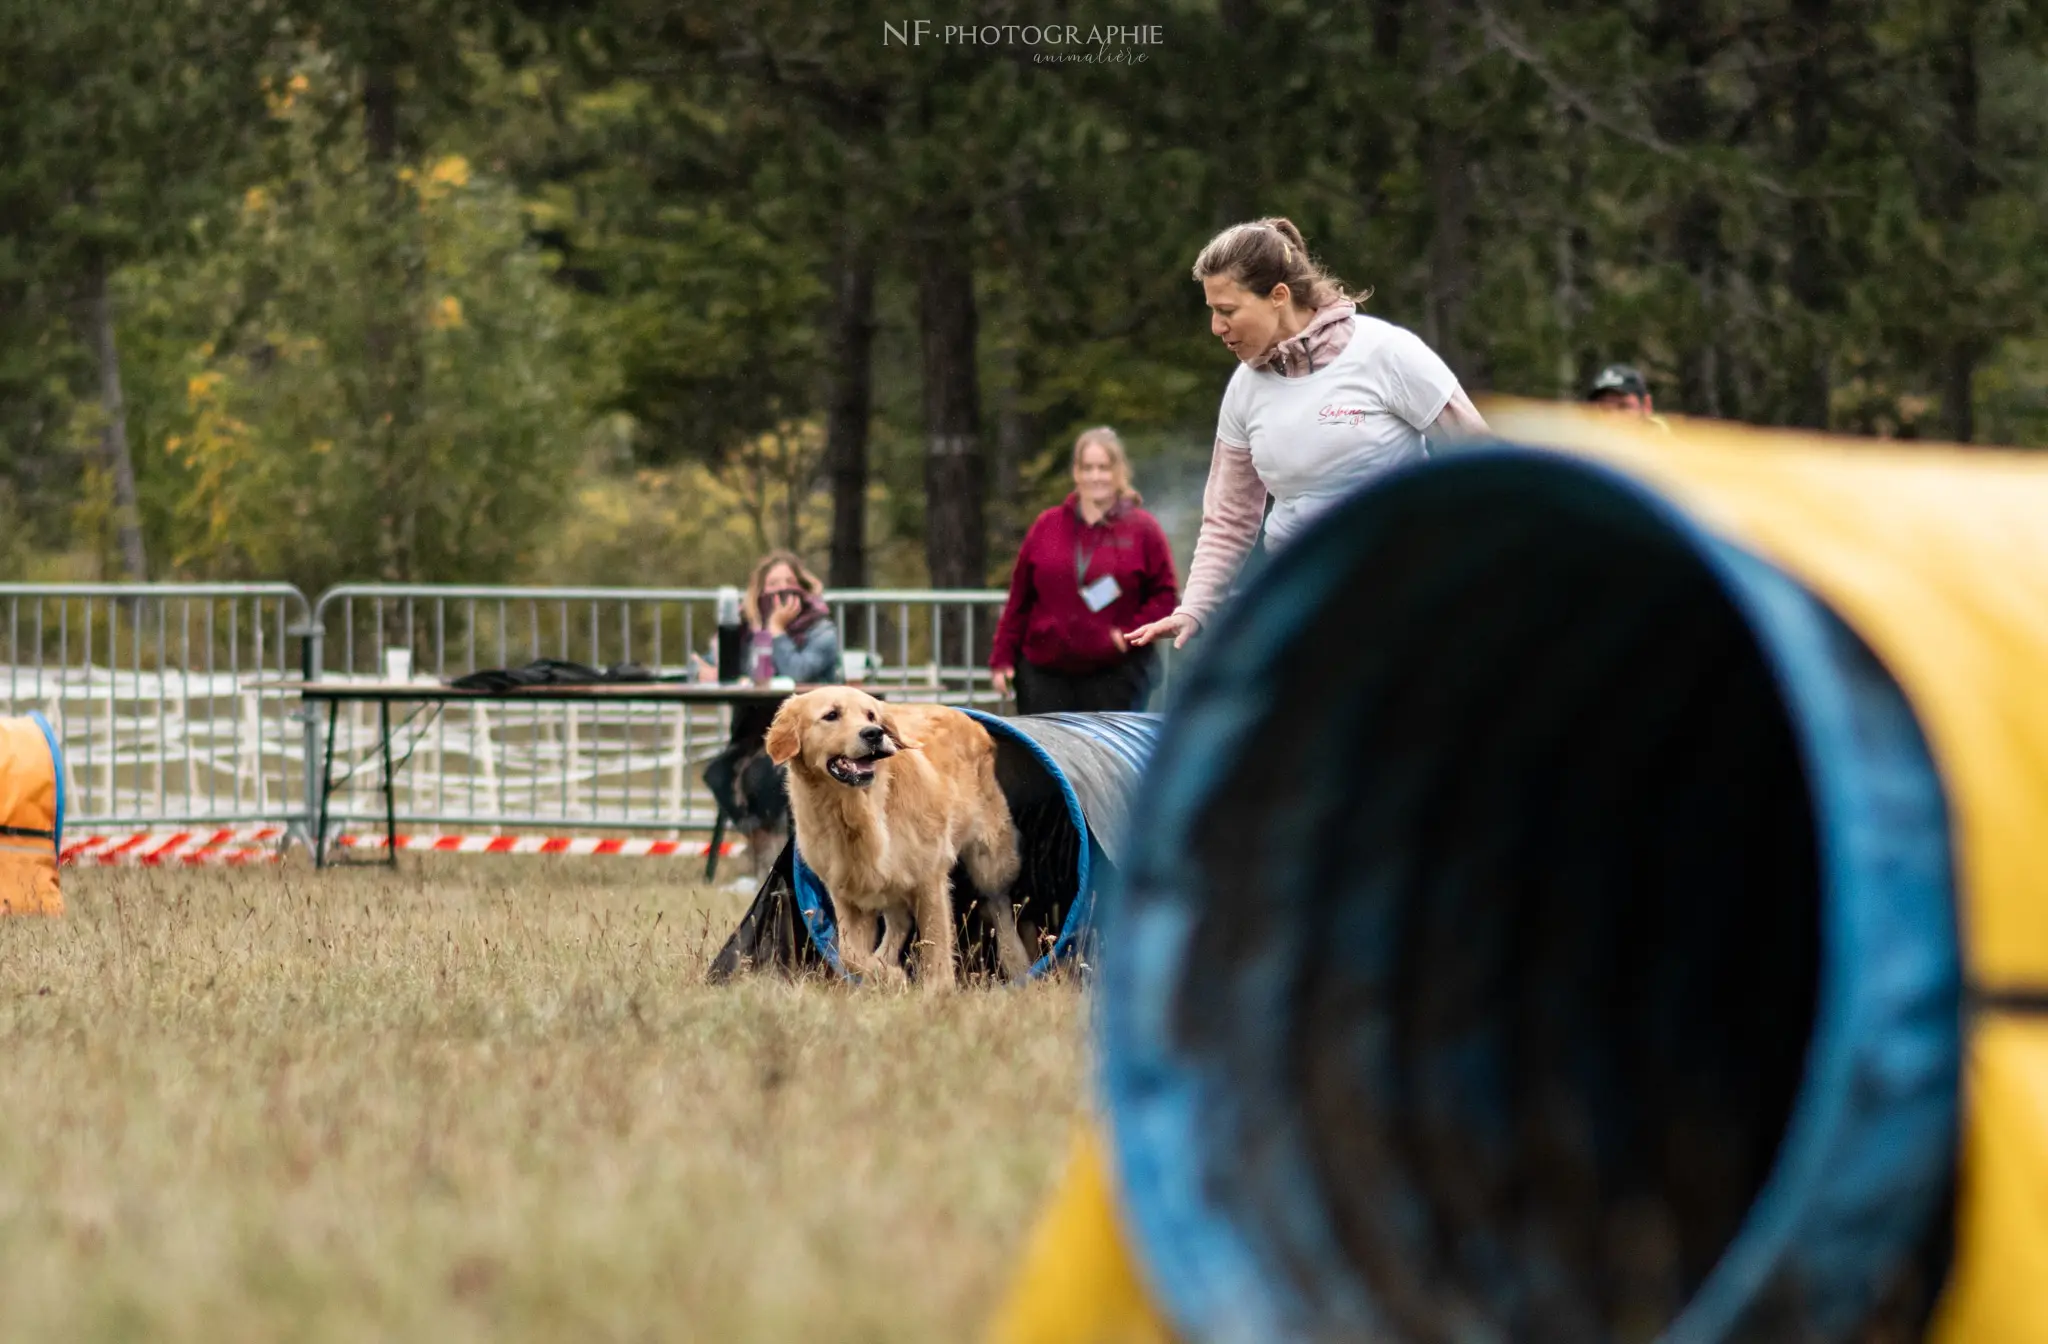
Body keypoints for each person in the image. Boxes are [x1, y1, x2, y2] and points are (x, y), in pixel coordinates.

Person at [1127, 218, 1490, 652]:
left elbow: (1484, 461)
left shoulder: (1386, 353)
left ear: (1278, 297)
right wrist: (1195, 608)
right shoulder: (1244, 389)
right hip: (1304, 603)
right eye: (1212, 311)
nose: (1216, 327)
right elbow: (1230, 518)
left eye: (1227, 311)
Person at [990, 427, 1180, 714]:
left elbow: (1164, 597)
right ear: (1076, 473)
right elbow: (1019, 598)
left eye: (1103, 468)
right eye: (1088, 468)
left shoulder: (1143, 530)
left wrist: (1126, 635)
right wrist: (1002, 659)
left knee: (1107, 759)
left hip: (1115, 677)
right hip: (1045, 675)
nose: (1095, 476)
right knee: (1043, 757)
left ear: (1118, 472)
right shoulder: (1046, 525)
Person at [698, 550, 842, 875]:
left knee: (767, 775)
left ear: (803, 588)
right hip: (753, 732)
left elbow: (798, 673)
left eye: (790, 582)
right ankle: (762, 853)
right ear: (759, 591)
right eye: (773, 583)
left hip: (806, 739)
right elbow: (710, 669)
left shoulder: (821, 630)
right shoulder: (743, 628)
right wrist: (710, 670)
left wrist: (777, 630)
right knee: (719, 773)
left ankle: (781, 866)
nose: (781, 590)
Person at [1586, 362, 1672, 430]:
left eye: (1623, 407)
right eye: (1603, 409)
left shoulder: (1671, 448)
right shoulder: (1582, 447)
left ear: (1646, 406)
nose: (1612, 418)